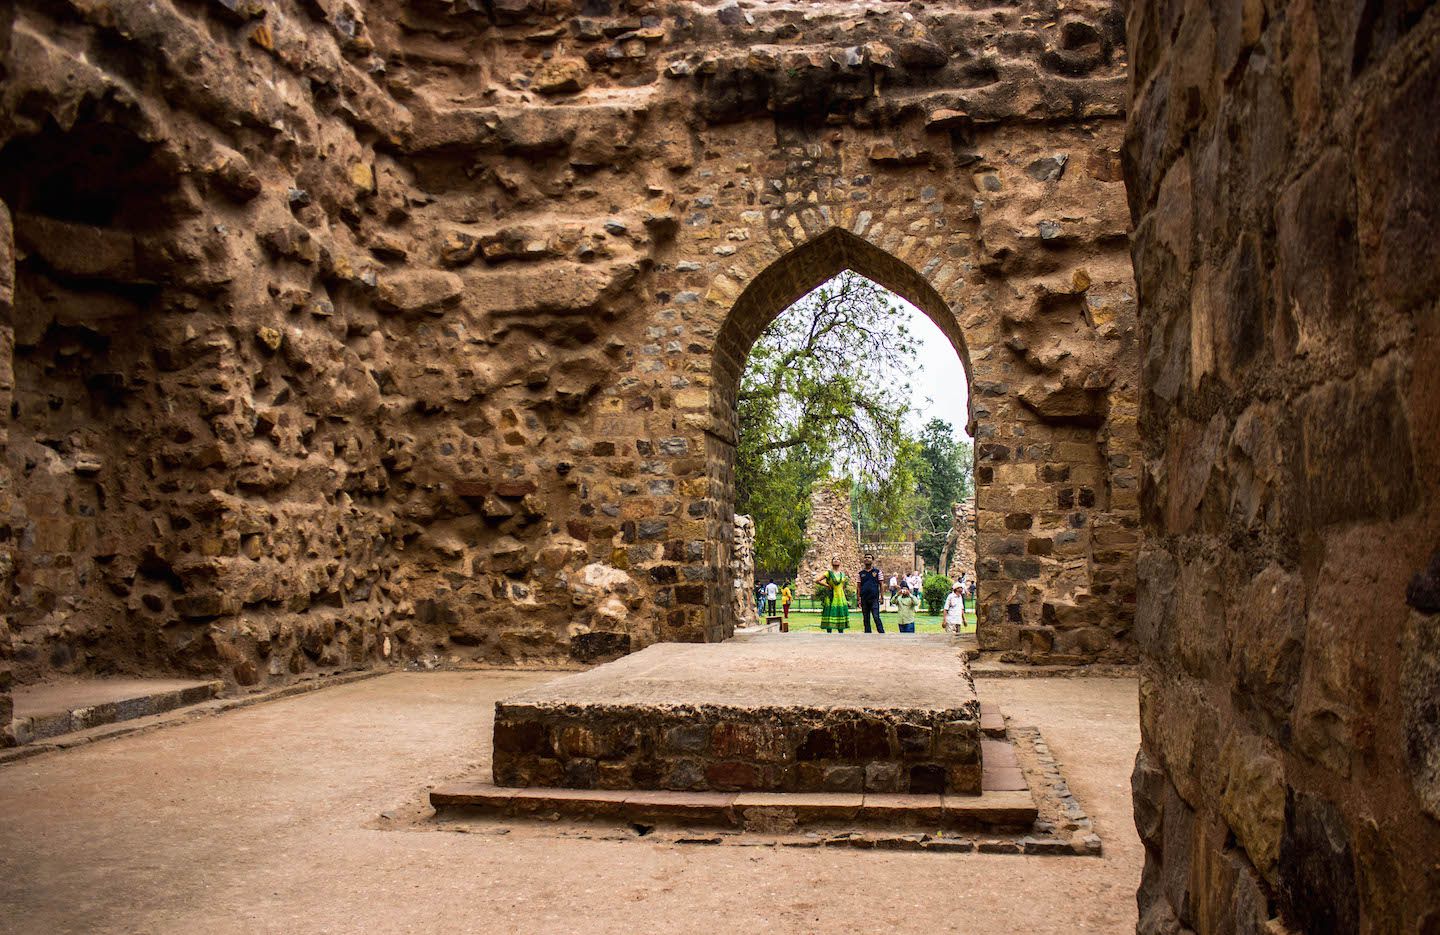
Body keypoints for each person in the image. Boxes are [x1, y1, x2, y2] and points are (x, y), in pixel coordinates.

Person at [818, 557, 850, 633]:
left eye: (838, 559)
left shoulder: (843, 574)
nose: (836, 560)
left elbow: (843, 586)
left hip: (840, 597)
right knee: (830, 613)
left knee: (840, 612)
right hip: (831, 596)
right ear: (831, 562)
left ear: (840, 562)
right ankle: (829, 633)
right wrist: (827, 585)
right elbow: (817, 580)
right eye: (834, 559)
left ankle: (841, 632)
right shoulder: (828, 573)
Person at [857, 552, 885, 634]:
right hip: (864, 598)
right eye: (865, 557)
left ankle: (882, 633)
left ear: (872, 560)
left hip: (874, 598)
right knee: (866, 618)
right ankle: (867, 635)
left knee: (876, 617)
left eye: (869, 557)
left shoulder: (877, 572)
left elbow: (881, 584)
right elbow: (858, 586)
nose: (867, 559)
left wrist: (882, 596)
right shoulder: (860, 573)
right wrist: (858, 598)